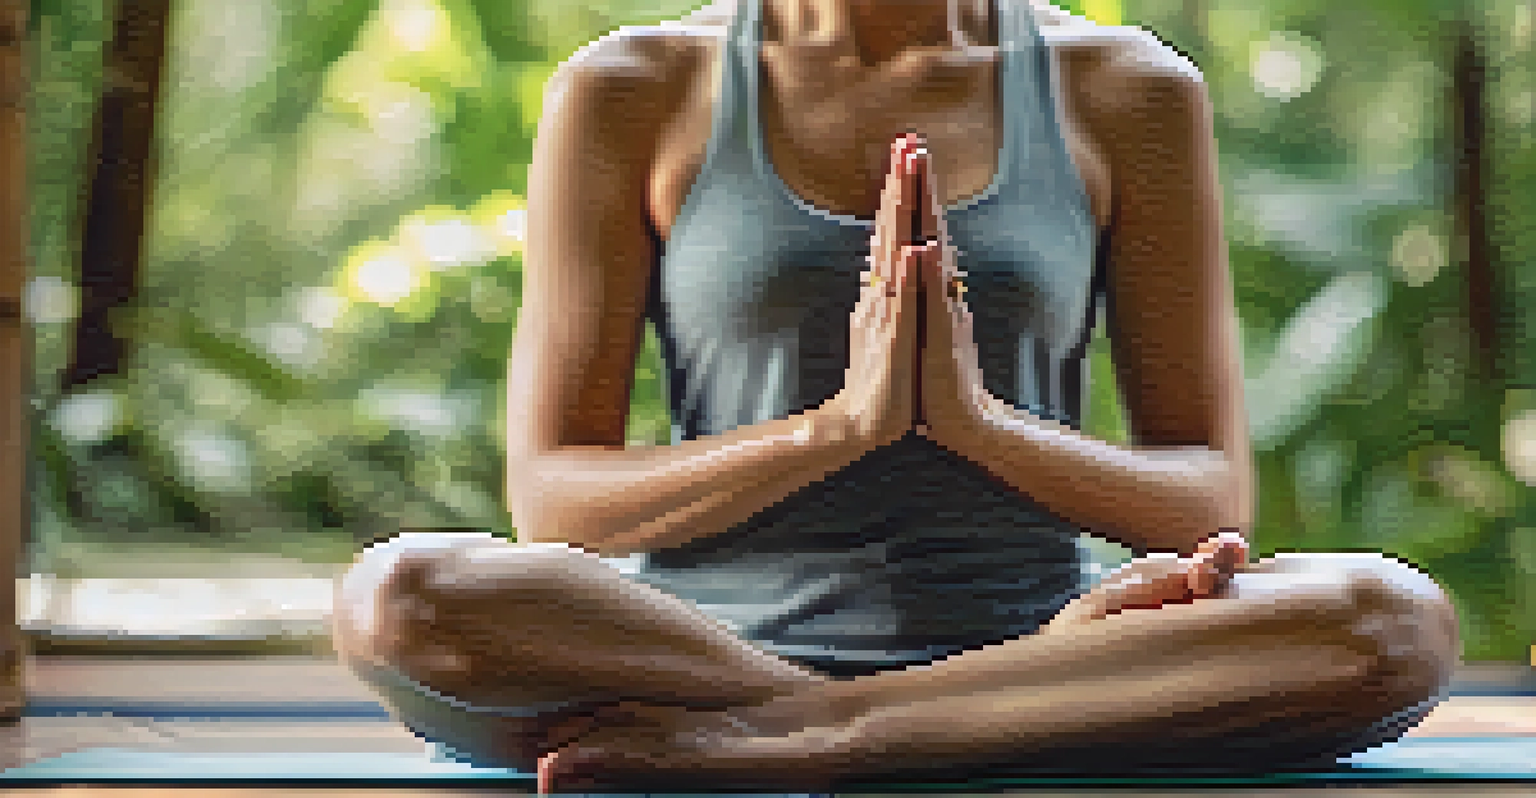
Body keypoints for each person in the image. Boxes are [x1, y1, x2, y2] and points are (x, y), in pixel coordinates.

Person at [330, 0, 1460, 790]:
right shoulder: (635, 86)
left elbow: (1201, 495)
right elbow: (557, 500)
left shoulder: (1126, 89)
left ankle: (820, 735)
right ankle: (883, 724)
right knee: (404, 599)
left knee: (1390, 622)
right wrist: (839, 428)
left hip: (1052, 654)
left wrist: (976, 426)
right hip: (671, 651)